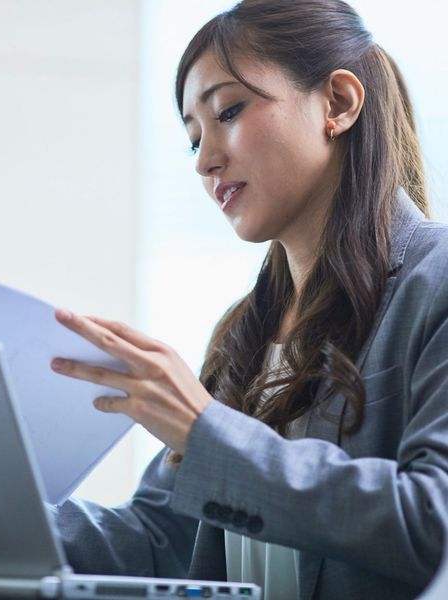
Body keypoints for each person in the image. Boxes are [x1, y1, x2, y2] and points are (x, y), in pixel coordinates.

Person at [48, 1, 448, 598]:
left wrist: (206, 431)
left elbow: (431, 526)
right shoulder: (244, 332)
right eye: (192, 141)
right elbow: (163, 541)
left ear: (338, 103)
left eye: (228, 111)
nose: (206, 161)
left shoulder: (433, 282)